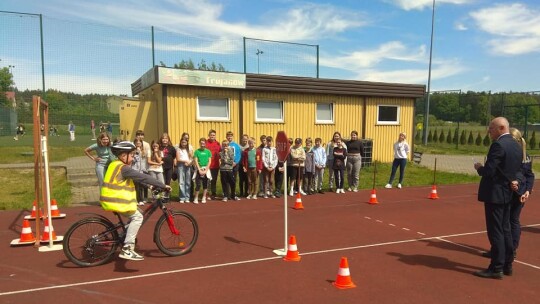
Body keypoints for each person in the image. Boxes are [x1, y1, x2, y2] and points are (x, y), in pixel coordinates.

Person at [100, 141, 170, 261]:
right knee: (138, 218)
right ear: (123, 156)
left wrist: (150, 186)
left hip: (109, 199)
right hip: (117, 201)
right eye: (131, 155)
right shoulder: (124, 168)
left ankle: (125, 235)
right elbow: (143, 176)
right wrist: (162, 185)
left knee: (138, 212)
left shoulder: (114, 164)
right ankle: (127, 248)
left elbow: (136, 179)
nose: (133, 158)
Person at [473, 117, 522, 279]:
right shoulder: (516, 144)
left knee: (496, 231)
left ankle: (496, 267)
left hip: (495, 194)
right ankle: (508, 264)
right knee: (505, 229)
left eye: (491, 128)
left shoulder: (498, 145)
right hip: (508, 193)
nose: (489, 131)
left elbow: (489, 172)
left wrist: (480, 168)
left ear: (501, 128)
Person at [482, 128, 535, 260]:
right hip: (513, 189)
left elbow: (526, 174)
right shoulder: (519, 152)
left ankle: (510, 250)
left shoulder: (516, 153)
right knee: (507, 222)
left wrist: (526, 189)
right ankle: (500, 250)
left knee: (509, 222)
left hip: (513, 191)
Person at [193, 138, 212, 204]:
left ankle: (204, 197)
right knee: (198, 184)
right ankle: (196, 197)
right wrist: (199, 170)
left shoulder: (208, 151)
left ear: (205, 144)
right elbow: (196, 161)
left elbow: (209, 161)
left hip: (206, 169)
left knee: (205, 184)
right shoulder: (196, 151)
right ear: (199, 143)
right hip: (199, 169)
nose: (202, 145)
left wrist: (206, 170)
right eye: (201, 143)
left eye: (204, 143)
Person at [131, 138, 149, 206]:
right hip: (135, 171)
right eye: (137, 143)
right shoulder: (133, 152)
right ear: (135, 144)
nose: (138, 144)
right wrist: (137, 153)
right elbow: (133, 161)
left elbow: (144, 161)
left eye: (139, 143)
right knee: (136, 186)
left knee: (141, 186)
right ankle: (136, 200)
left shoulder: (143, 151)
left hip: (141, 171)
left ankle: (141, 199)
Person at [176, 138, 193, 203]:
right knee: (181, 181)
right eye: (182, 142)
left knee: (188, 182)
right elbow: (178, 159)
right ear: (180, 143)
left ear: (187, 143)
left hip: (188, 166)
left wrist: (189, 162)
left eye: (185, 142)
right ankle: (182, 197)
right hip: (181, 166)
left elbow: (192, 158)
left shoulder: (189, 150)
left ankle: (187, 197)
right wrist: (185, 161)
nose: (183, 144)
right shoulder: (178, 149)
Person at [226, 131, 242, 201]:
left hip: (235, 165)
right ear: (226, 137)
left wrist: (235, 162)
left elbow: (239, 154)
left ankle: (233, 193)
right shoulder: (225, 144)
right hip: (227, 165)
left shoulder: (236, 145)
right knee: (227, 179)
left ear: (232, 137)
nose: (229, 137)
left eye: (230, 136)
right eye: (228, 136)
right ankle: (227, 194)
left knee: (233, 179)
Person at [206, 129, 221, 200]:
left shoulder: (218, 144)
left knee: (214, 180)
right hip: (207, 165)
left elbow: (220, 154)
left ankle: (213, 194)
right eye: (211, 135)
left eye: (214, 135)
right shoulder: (205, 143)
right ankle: (206, 194)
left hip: (216, 165)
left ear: (215, 136)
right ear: (209, 135)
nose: (212, 136)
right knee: (207, 180)